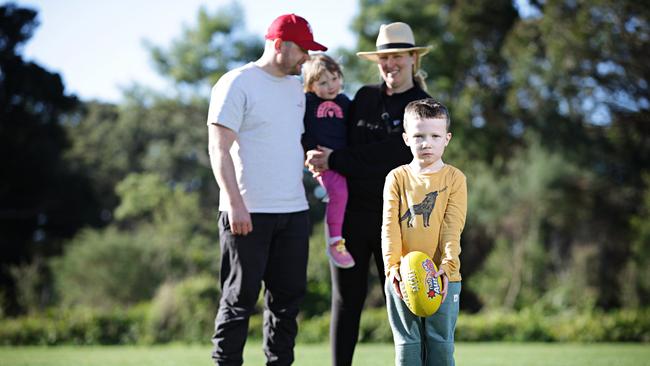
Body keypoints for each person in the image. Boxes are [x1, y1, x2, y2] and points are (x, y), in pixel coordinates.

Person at [305, 22, 432, 365]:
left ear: (412, 59)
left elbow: (392, 158)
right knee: (347, 301)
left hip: (401, 219)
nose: (390, 64)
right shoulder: (363, 98)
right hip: (349, 217)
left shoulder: (424, 107)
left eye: (398, 57)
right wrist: (317, 155)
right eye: (384, 58)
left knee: (407, 300)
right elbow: (333, 133)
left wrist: (339, 160)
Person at [206, 13, 327, 366]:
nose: (307, 57)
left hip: (293, 213)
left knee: (287, 303)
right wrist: (234, 203)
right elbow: (219, 148)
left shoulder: (297, 89)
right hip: (247, 212)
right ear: (279, 45)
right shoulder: (236, 83)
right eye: (302, 49)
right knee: (238, 300)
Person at [382, 98, 467, 366]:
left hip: (444, 277)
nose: (426, 143)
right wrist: (392, 267)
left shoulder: (455, 178)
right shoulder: (396, 177)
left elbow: (453, 228)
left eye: (434, 136)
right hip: (402, 278)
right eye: (419, 136)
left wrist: (447, 266)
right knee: (407, 346)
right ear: (406, 138)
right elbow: (389, 226)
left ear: (447, 139)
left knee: (441, 345)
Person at [302, 54, 355, 269]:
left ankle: (346, 235)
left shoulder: (345, 102)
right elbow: (300, 131)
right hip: (322, 162)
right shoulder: (307, 102)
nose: (331, 86)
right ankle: (334, 241)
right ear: (311, 86)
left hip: (342, 160)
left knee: (348, 195)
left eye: (334, 79)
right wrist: (308, 153)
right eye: (323, 83)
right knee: (339, 192)